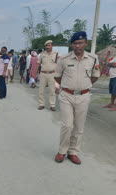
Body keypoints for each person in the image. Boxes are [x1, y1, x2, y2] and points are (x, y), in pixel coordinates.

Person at [54, 31, 100, 164]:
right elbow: (57, 76)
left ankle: (73, 152)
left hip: (84, 96)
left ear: (86, 43)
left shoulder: (93, 59)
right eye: (75, 43)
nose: (77, 46)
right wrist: (68, 85)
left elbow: (95, 76)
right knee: (67, 125)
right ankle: (62, 151)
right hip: (67, 95)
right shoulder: (64, 59)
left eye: (80, 43)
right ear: (71, 45)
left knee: (79, 127)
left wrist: (83, 86)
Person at [36, 40, 58, 111]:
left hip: (52, 74)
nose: (47, 47)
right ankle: (41, 104)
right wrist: (35, 73)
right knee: (41, 90)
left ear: (52, 46)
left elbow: (59, 65)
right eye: (46, 46)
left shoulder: (56, 54)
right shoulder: (42, 54)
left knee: (52, 91)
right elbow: (38, 64)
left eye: (49, 45)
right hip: (43, 74)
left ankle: (52, 105)